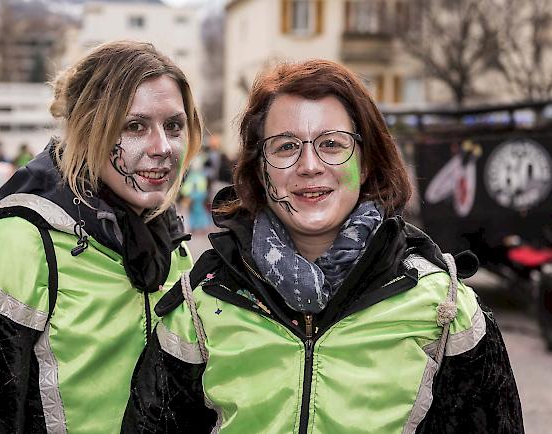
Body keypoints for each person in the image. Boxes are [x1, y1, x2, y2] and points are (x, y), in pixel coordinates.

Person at [121, 60, 523, 433]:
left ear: (365, 163)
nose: (309, 165)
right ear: (260, 171)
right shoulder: (201, 307)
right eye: (285, 146)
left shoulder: (446, 308)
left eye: (331, 144)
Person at [0, 40, 201, 433]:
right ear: (87, 129)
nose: (162, 148)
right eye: (134, 126)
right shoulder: (16, 248)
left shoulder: (176, 251)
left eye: (174, 126)